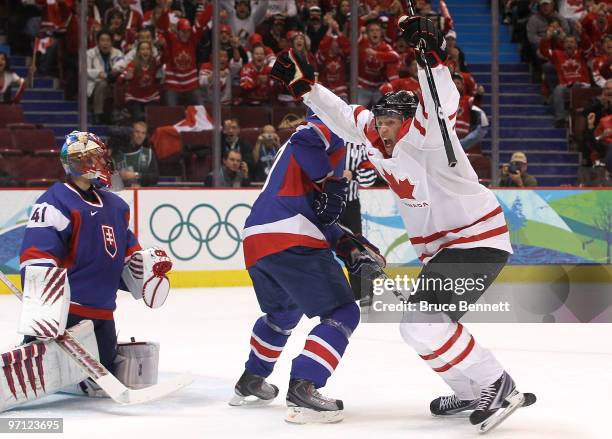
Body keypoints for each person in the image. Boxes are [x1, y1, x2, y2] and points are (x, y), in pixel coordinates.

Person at [271, 16, 535, 432]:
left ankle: (496, 384)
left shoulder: (430, 133)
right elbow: (343, 115)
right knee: (415, 328)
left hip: (476, 240)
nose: (382, 129)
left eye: (390, 122)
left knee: (426, 321)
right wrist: (306, 89)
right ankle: (469, 392)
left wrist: (430, 56)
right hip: (447, 250)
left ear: (410, 121)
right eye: (379, 122)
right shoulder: (378, 136)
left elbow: (442, 100)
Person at [230, 112, 377, 424]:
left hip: (258, 238)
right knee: (343, 312)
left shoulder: (302, 160)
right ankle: (304, 385)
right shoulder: (333, 126)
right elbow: (305, 134)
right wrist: (332, 180)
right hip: (289, 235)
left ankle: (252, 378)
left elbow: (314, 213)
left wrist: (347, 244)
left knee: (283, 314)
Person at [15, 131, 172, 404]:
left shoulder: (116, 206)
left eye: (102, 156)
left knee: (104, 379)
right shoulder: (55, 202)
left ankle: (72, 374)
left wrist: (148, 271)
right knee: (59, 373)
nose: (102, 162)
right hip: (68, 316)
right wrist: (44, 313)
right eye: (95, 157)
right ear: (78, 162)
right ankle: (42, 358)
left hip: (102, 314)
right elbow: (37, 256)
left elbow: (126, 259)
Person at [86, 29, 124, 124]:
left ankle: (118, 115)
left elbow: (121, 63)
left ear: (111, 42)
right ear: (98, 42)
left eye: (107, 40)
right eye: (102, 40)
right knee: (102, 84)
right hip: (95, 84)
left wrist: (114, 70)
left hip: (112, 81)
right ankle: (97, 114)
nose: (105, 43)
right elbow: (84, 70)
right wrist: (98, 73)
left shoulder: (117, 52)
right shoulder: (90, 53)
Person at [118, 41, 162, 122]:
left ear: (151, 51)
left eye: (148, 49)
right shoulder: (132, 64)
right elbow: (119, 80)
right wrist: (126, 77)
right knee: (139, 117)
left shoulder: (155, 62)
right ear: (138, 52)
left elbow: (165, 58)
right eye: (142, 49)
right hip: (134, 98)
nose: (145, 51)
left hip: (151, 97)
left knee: (152, 119)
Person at [113, 121, 160, 187]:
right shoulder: (116, 154)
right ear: (131, 133)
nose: (140, 136)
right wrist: (120, 177)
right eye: (137, 132)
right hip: (121, 193)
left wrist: (136, 175)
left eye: (143, 133)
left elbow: (155, 177)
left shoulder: (148, 153)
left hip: (143, 193)